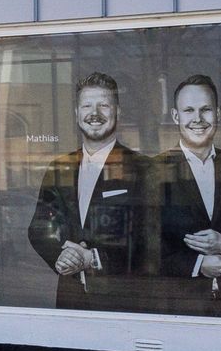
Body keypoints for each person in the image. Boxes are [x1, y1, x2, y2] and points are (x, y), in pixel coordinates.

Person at [25, 72, 151, 310]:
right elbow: (39, 228)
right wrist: (60, 256)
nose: (95, 114)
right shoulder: (59, 167)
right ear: (77, 114)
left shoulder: (143, 168)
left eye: (104, 105)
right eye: (87, 106)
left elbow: (152, 241)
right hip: (69, 297)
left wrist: (93, 259)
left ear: (118, 112)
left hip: (123, 301)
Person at [156, 73, 221, 318]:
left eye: (206, 109)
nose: (198, 119)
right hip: (180, 309)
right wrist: (197, 265)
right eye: (189, 110)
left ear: (218, 113)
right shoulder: (152, 172)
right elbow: (142, 247)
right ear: (175, 116)